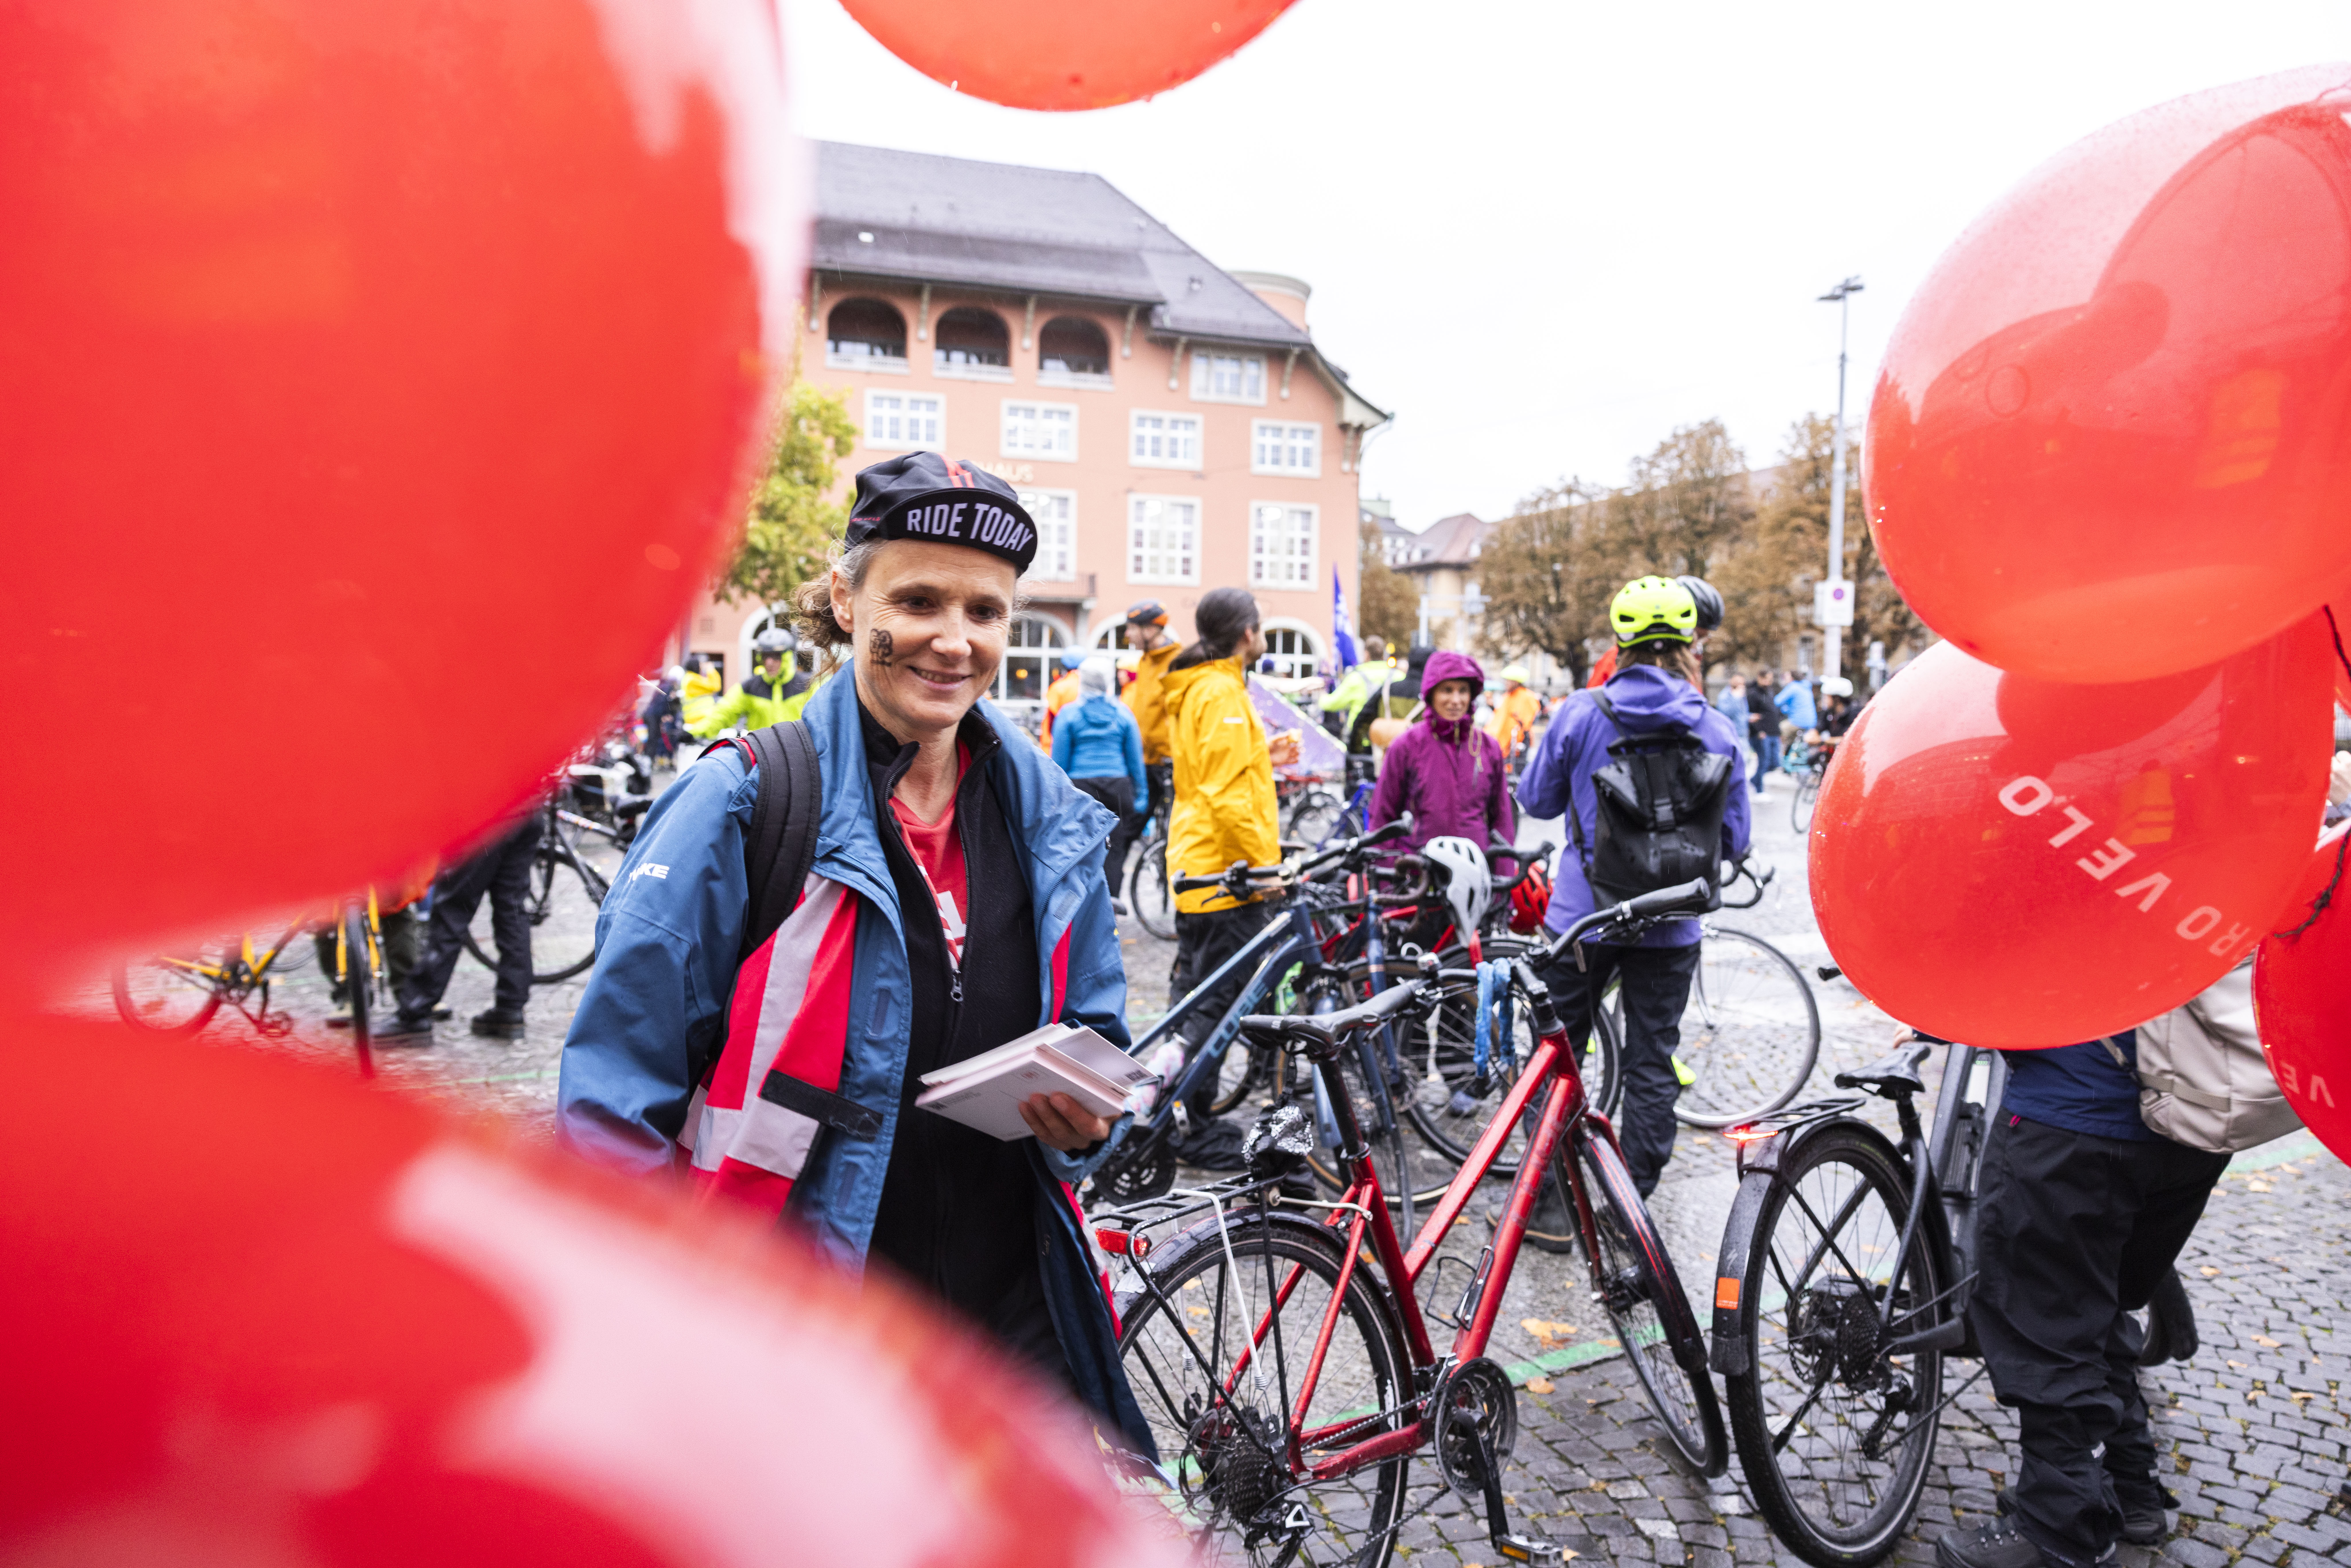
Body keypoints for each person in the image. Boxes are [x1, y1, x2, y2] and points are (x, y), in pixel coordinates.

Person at [555, 451, 1148, 1449]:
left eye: (985, 611)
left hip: (1010, 1337)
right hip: (800, 1328)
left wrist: (1086, 1125)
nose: (954, 641)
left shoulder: (1051, 820)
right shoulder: (744, 802)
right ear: (845, 598)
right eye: (917, 601)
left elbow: (1096, 1037)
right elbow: (615, 1100)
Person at [1936, 1015, 2232, 1568]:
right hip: (2192, 1122)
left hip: (2073, 1116)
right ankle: (2129, 1486)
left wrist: (1937, 1019)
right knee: (2098, 1301)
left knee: (2048, 1325)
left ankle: (2061, 1528)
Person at [1514, 576, 1751, 1227]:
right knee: (1652, 1062)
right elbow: (1735, 840)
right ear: (1689, 643)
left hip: (1582, 922)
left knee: (1556, 1060)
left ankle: (1551, 1206)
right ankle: (1629, 1203)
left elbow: (1535, 799)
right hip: (1671, 925)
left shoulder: (1581, 713)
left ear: (1618, 643)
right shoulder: (1715, 726)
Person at [1161, 587, 1300, 1166]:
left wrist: (1264, 752)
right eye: (1260, 626)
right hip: (1226, 871)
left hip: (1203, 863)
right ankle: (1185, 1122)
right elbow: (1224, 795)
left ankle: (1176, 1110)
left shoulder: (1209, 686)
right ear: (1247, 633)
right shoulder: (1220, 691)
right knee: (1219, 1004)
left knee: (1195, 997)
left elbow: (1213, 770)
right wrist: (1266, 871)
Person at [377, 809, 544, 1042]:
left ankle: (415, 1010)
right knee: (512, 912)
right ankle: (510, 1007)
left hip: (485, 816)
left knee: (452, 914)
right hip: (526, 811)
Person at [1369, 649, 1515, 875]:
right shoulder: (1407, 745)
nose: (1456, 700)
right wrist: (1388, 877)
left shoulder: (1488, 748)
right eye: (1447, 690)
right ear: (1432, 693)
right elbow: (1383, 817)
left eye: (1463, 691)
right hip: (1419, 875)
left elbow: (1502, 820)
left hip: (1475, 873)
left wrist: (1503, 879)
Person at [1051, 655, 1146, 899]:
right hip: (1118, 788)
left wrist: (1057, 798)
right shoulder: (1123, 714)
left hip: (1081, 788)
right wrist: (1142, 795)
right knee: (1116, 848)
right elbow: (1135, 760)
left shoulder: (1069, 715)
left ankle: (1082, 901)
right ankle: (1112, 901)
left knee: (1080, 848)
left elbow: (1059, 762)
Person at [1106, 600, 1179, 900]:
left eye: (1132, 629)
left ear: (1151, 629)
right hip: (1141, 762)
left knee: (1177, 834)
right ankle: (1110, 900)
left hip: (1167, 763)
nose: (1128, 635)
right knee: (1123, 831)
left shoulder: (1177, 660)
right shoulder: (1145, 661)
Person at [688, 627, 813, 739]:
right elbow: (723, 713)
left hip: (798, 755)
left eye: (776, 656)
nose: (769, 662)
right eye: (765, 656)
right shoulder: (750, 687)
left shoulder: (809, 685)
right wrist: (693, 733)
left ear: (787, 657)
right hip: (761, 755)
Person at [1484, 663, 1543, 762]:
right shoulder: (1507, 696)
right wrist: (1491, 706)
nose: (1506, 683)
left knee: (1518, 767)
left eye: (1508, 681)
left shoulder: (1527, 697)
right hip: (1503, 741)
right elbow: (1500, 717)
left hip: (1519, 741)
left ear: (1516, 682)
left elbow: (1526, 722)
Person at [1038, 649, 1086, 748]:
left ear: (1064, 665)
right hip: (1082, 744)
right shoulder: (1090, 688)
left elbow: (1052, 720)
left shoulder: (1057, 688)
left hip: (1058, 744)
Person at [1713, 673, 1752, 790]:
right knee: (1737, 762)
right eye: (1739, 683)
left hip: (1743, 733)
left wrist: (1749, 717)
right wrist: (1736, 699)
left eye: (1743, 683)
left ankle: (1740, 785)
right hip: (1731, 734)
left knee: (1746, 760)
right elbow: (1724, 713)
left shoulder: (1741, 696)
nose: (1742, 686)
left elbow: (1743, 713)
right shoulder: (1725, 696)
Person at [1747, 671, 1780, 794]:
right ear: (1760, 678)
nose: (1768, 682)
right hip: (1762, 734)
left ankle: (1755, 780)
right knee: (1764, 761)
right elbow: (1751, 716)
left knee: (1775, 763)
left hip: (1774, 732)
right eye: (1766, 679)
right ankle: (1759, 790)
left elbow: (1774, 712)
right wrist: (1759, 731)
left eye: (1770, 679)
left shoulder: (1770, 692)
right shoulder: (1753, 694)